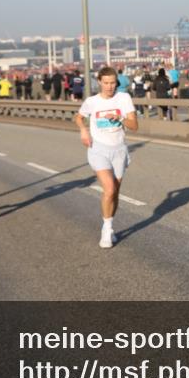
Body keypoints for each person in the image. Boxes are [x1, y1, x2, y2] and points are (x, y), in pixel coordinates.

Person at [75, 67, 138, 248]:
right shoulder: (92, 101)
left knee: (115, 192)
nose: (110, 87)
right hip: (98, 149)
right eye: (106, 83)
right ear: (99, 82)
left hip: (119, 150)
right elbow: (78, 117)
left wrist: (120, 119)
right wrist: (83, 130)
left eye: (112, 83)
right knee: (109, 189)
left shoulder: (124, 98)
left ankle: (110, 225)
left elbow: (134, 126)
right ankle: (106, 228)